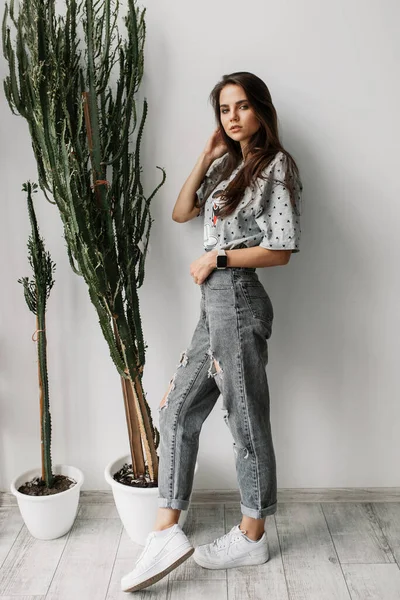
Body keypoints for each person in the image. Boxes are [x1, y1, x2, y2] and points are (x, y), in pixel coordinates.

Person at [121, 71, 303, 593]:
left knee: (245, 418)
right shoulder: (227, 165)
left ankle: (253, 534)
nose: (233, 116)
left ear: (261, 110)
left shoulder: (276, 166)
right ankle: (166, 530)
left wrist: (218, 256)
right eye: (225, 109)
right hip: (213, 305)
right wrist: (205, 156)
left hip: (239, 298)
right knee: (177, 409)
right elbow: (181, 212)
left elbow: (282, 249)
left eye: (242, 106)